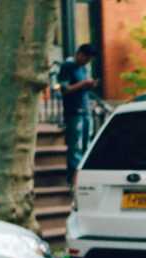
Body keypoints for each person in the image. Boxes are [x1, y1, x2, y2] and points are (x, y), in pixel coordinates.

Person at [58, 43, 98, 184]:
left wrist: (89, 85)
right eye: (86, 59)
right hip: (73, 111)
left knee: (87, 144)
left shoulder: (83, 69)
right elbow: (64, 89)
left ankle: (84, 176)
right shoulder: (67, 66)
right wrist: (82, 83)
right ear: (80, 54)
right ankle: (73, 178)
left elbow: (81, 88)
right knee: (76, 146)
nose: (87, 62)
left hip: (85, 108)